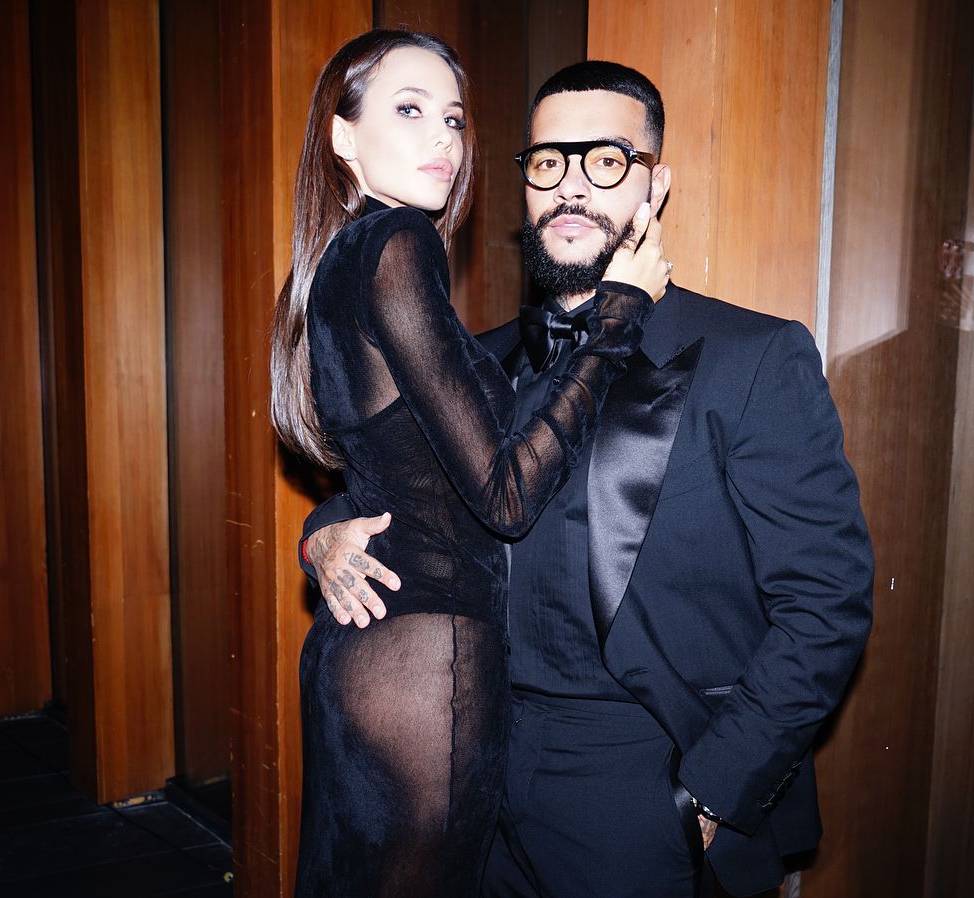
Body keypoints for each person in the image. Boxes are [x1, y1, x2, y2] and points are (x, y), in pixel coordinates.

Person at [299, 61, 874, 898]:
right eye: (548, 162)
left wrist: (713, 790)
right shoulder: (482, 357)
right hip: (472, 766)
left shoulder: (752, 357)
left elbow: (828, 602)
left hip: (638, 789)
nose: (572, 186)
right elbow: (396, 486)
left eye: (606, 160)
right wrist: (321, 538)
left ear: (656, 185)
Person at [271, 34, 671, 898]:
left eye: (453, 119)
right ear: (342, 136)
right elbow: (505, 495)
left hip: (370, 655)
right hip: (427, 665)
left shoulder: (338, 262)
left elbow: (392, 462)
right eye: (408, 110)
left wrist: (322, 533)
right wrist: (619, 317)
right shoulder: (398, 242)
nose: (442, 139)